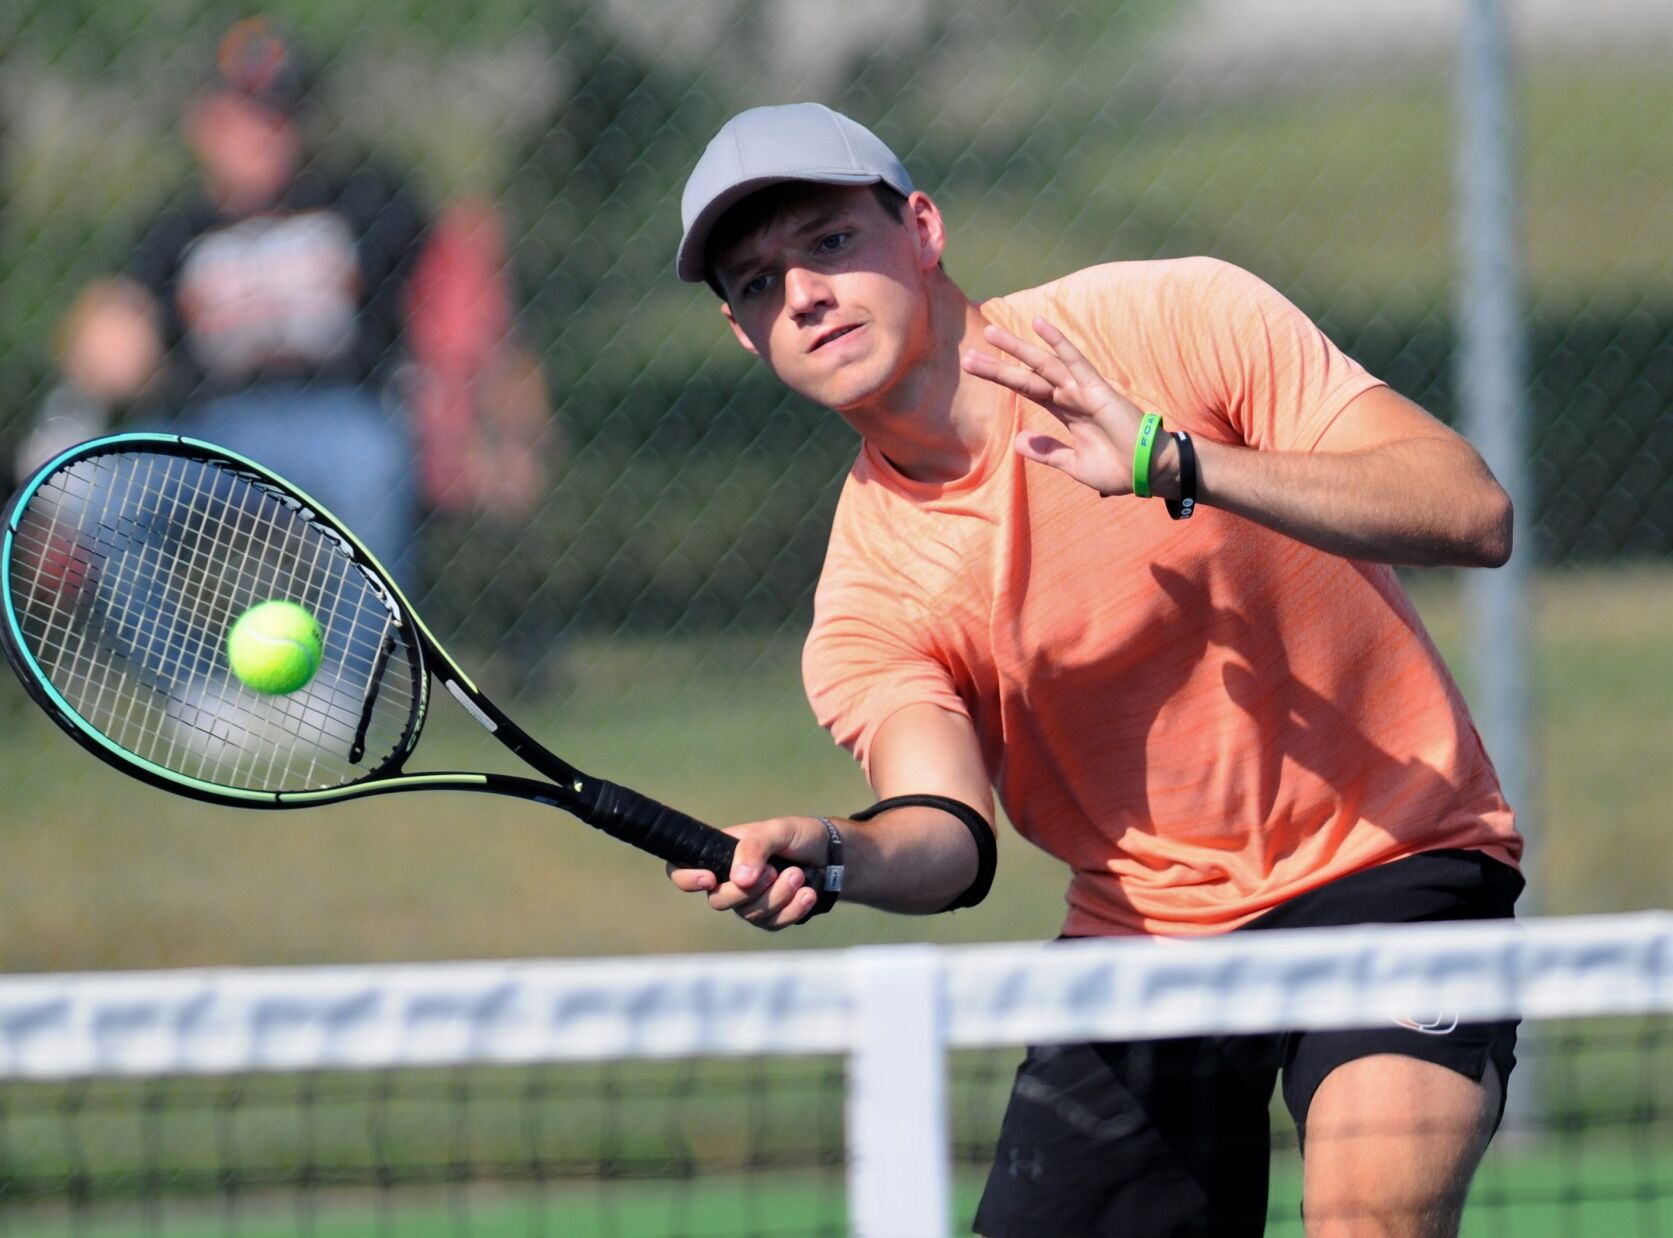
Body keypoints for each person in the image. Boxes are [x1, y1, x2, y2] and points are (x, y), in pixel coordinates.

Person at [665, 103, 1522, 1237]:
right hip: (1143, 938)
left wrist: (1170, 460)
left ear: (921, 229)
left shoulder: (1170, 316)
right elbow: (942, 830)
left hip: (1397, 863)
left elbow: (1468, 508)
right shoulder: (865, 594)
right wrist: (832, 852)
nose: (803, 295)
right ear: (742, 334)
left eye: (828, 244)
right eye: (757, 284)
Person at [31, 18, 427, 583]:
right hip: (209, 429)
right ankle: (184, 676)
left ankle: (348, 672)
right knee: (103, 498)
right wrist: (106, 341)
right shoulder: (175, 232)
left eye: (279, 112)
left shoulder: (360, 201)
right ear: (205, 124)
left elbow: (451, 270)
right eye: (246, 113)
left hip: (339, 414)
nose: (265, 131)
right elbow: (108, 334)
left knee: (375, 463)